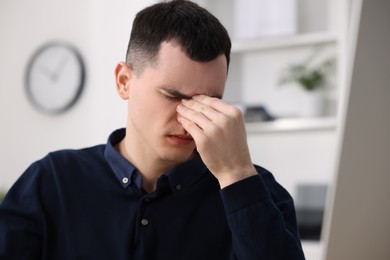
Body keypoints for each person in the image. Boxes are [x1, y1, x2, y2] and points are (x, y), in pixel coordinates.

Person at [0, 1, 305, 259]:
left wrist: (237, 174)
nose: (190, 118)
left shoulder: (258, 192)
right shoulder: (52, 181)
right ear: (124, 81)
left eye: (209, 102)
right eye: (173, 96)